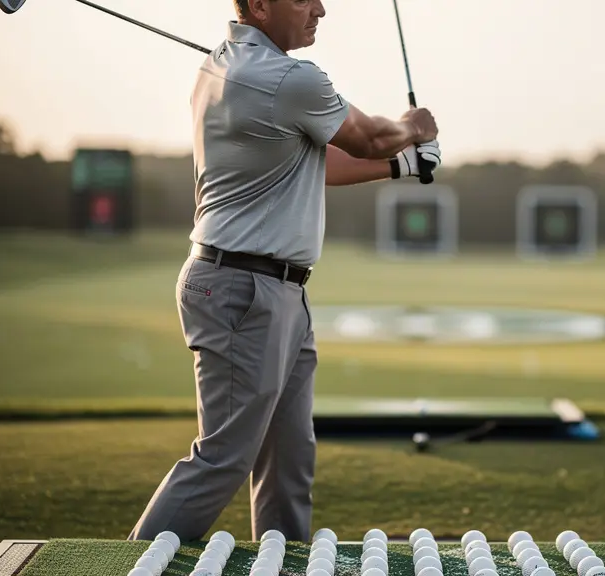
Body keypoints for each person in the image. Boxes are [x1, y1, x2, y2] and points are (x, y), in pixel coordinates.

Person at [128, 0, 441, 544]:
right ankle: (136, 565)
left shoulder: (226, 67)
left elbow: (316, 159)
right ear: (258, 4)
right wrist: (413, 127)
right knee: (223, 457)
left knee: (288, 460)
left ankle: (284, 564)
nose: (321, 9)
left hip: (275, 289)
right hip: (243, 288)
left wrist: (403, 163)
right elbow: (368, 136)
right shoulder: (291, 78)